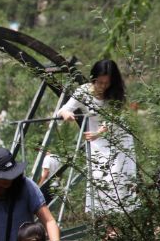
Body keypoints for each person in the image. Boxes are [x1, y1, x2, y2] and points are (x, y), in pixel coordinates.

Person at [56, 59, 136, 214]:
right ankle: (105, 224)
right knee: (99, 177)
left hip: (118, 138)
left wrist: (98, 133)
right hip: (97, 141)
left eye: (106, 83)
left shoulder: (116, 94)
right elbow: (63, 109)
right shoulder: (84, 91)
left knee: (118, 177)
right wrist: (67, 114)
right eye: (99, 82)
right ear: (94, 78)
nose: (102, 86)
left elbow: (115, 118)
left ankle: (119, 222)